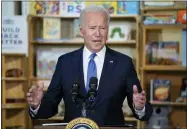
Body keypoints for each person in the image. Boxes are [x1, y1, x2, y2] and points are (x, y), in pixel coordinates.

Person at [27, 5, 153, 126]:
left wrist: (140, 107)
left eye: (102, 28)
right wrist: (36, 105)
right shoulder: (65, 62)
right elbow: (50, 106)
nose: (98, 34)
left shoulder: (123, 63)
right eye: (92, 28)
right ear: (82, 31)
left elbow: (143, 110)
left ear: (107, 30)